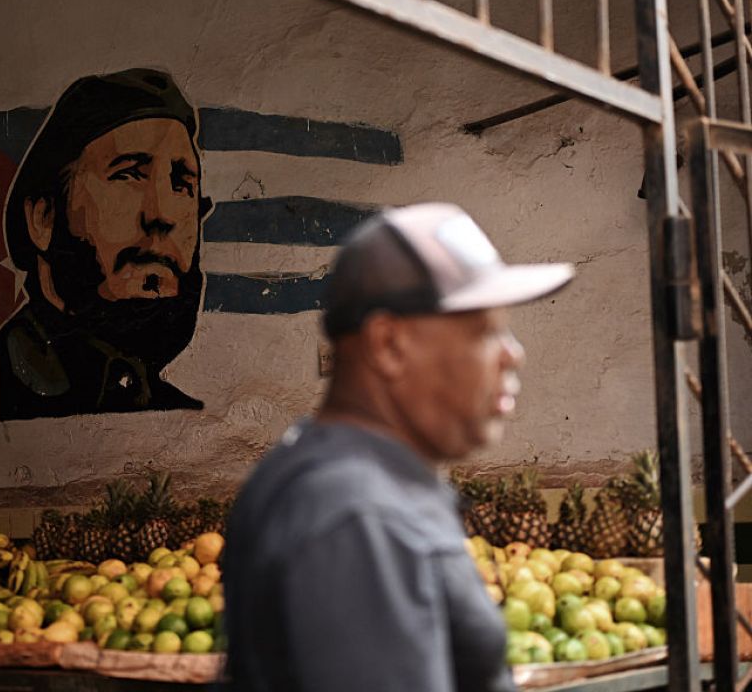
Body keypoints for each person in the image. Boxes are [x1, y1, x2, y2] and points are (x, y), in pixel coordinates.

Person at [223, 202, 574, 692]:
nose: (513, 353)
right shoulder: (360, 518)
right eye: (485, 330)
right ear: (388, 344)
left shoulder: (335, 475)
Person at [0, 68, 211, 420]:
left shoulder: (170, 409)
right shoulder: (5, 385)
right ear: (43, 218)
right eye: (128, 174)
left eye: (182, 183)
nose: (162, 214)